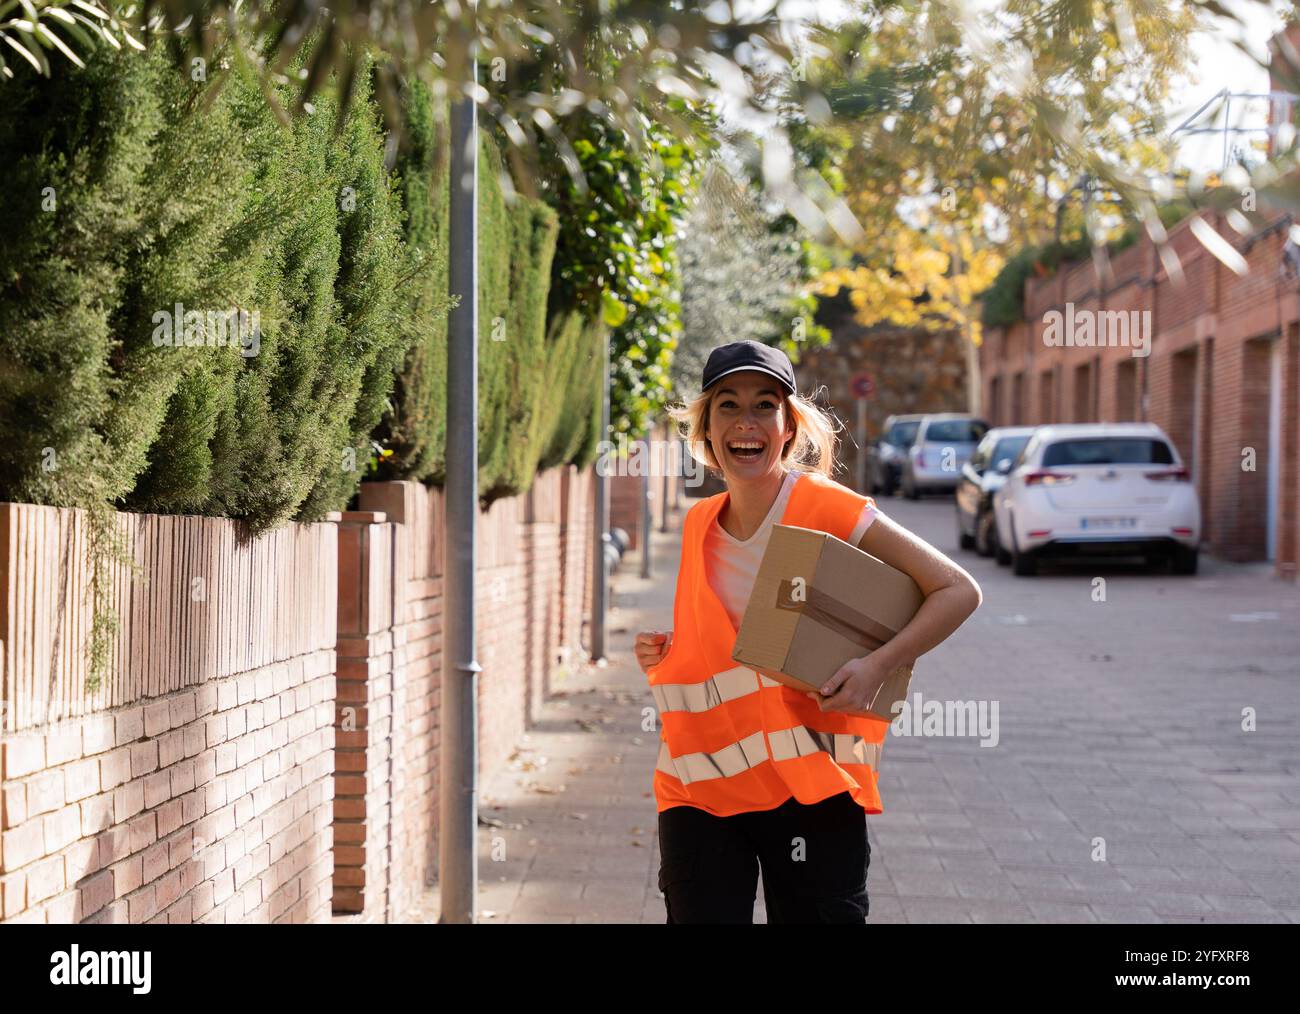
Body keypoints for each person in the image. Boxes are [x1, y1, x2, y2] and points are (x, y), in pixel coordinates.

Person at [635, 340, 982, 924]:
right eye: (728, 406)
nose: (746, 423)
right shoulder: (698, 523)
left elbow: (957, 590)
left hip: (810, 790)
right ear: (706, 427)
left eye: (764, 405)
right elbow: (721, 643)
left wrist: (876, 667)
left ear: (789, 427)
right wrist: (666, 655)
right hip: (701, 789)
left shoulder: (824, 506)